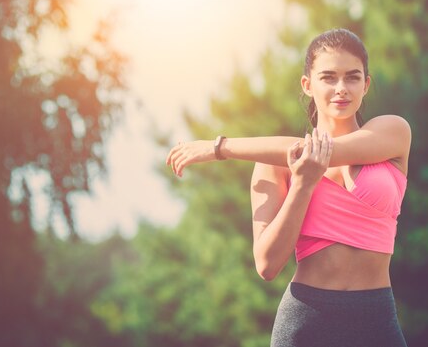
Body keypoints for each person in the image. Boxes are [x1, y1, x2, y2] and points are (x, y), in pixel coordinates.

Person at [166, 28, 411, 347]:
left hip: (375, 320)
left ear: (366, 84)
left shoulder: (392, 132)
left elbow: (324, 151)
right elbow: (267, 265)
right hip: (307, 321)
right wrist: (302, 186)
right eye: (328, 77)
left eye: (352, 77)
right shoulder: (274, 164)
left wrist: (222, 147)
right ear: (307, 85)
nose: (341, 88)